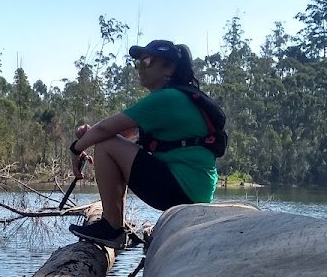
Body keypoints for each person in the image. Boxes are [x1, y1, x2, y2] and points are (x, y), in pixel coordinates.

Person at [68, 39, 218, 248]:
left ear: (170, 67)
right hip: (193, 190)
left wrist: (76, 148)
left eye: (147, 61)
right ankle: (113, 225)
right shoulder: (177, 97)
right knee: (104, 140)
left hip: (182, 189)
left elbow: (106, 132)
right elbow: (121, 131)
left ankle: (112, 229)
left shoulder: (168, 98)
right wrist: (90, 134)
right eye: (138, 61)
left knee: (104, 144)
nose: (140, 67)